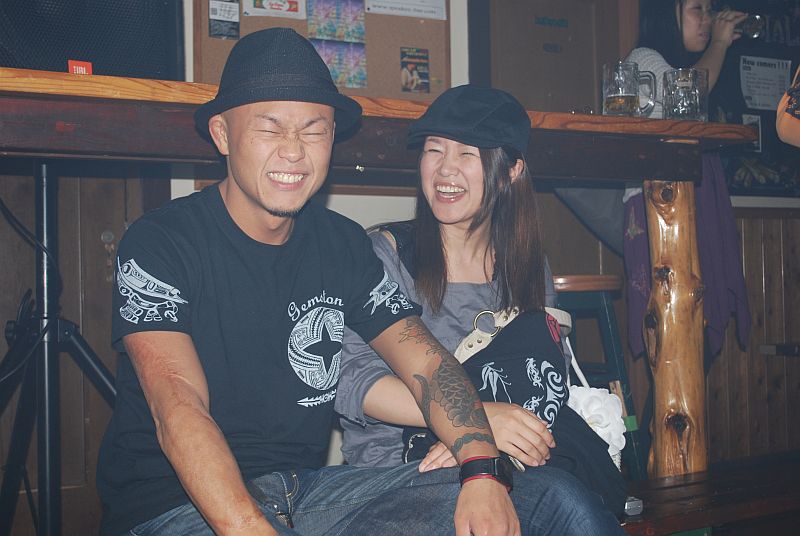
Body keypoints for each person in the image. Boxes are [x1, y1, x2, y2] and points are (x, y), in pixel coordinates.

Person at [96, 28, 619, 536]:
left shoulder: (341, 244)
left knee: (554, 499)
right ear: (222, 134)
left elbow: (427, 364)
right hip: (177, 504)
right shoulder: (161, 242)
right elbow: (178, 405)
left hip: (311, 494)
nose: (294, 151)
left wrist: (482, 467)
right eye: (269, 128)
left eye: (314, 130)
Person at [335, 84, 628, 523]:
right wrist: (474, 425)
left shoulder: (527, 267)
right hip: (399, 469)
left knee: (569, 503)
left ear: (511, 171)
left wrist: (484, 442)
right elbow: (355, 384)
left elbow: (542, 385)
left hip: (509, 464)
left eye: (467, 154)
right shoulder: (385, 255)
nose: (445, 169)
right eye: (434, 150)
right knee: (565, 505)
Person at [622, 0, 751, 361]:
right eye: (698, 9)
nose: (708, 20)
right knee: (673, 334)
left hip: (690, 201)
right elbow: (686, 92)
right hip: (657, 208)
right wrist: (720, 44)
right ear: (668, 12)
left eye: (710, 10)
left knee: (697, 329)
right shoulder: (643, 58)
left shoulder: (697, 65)